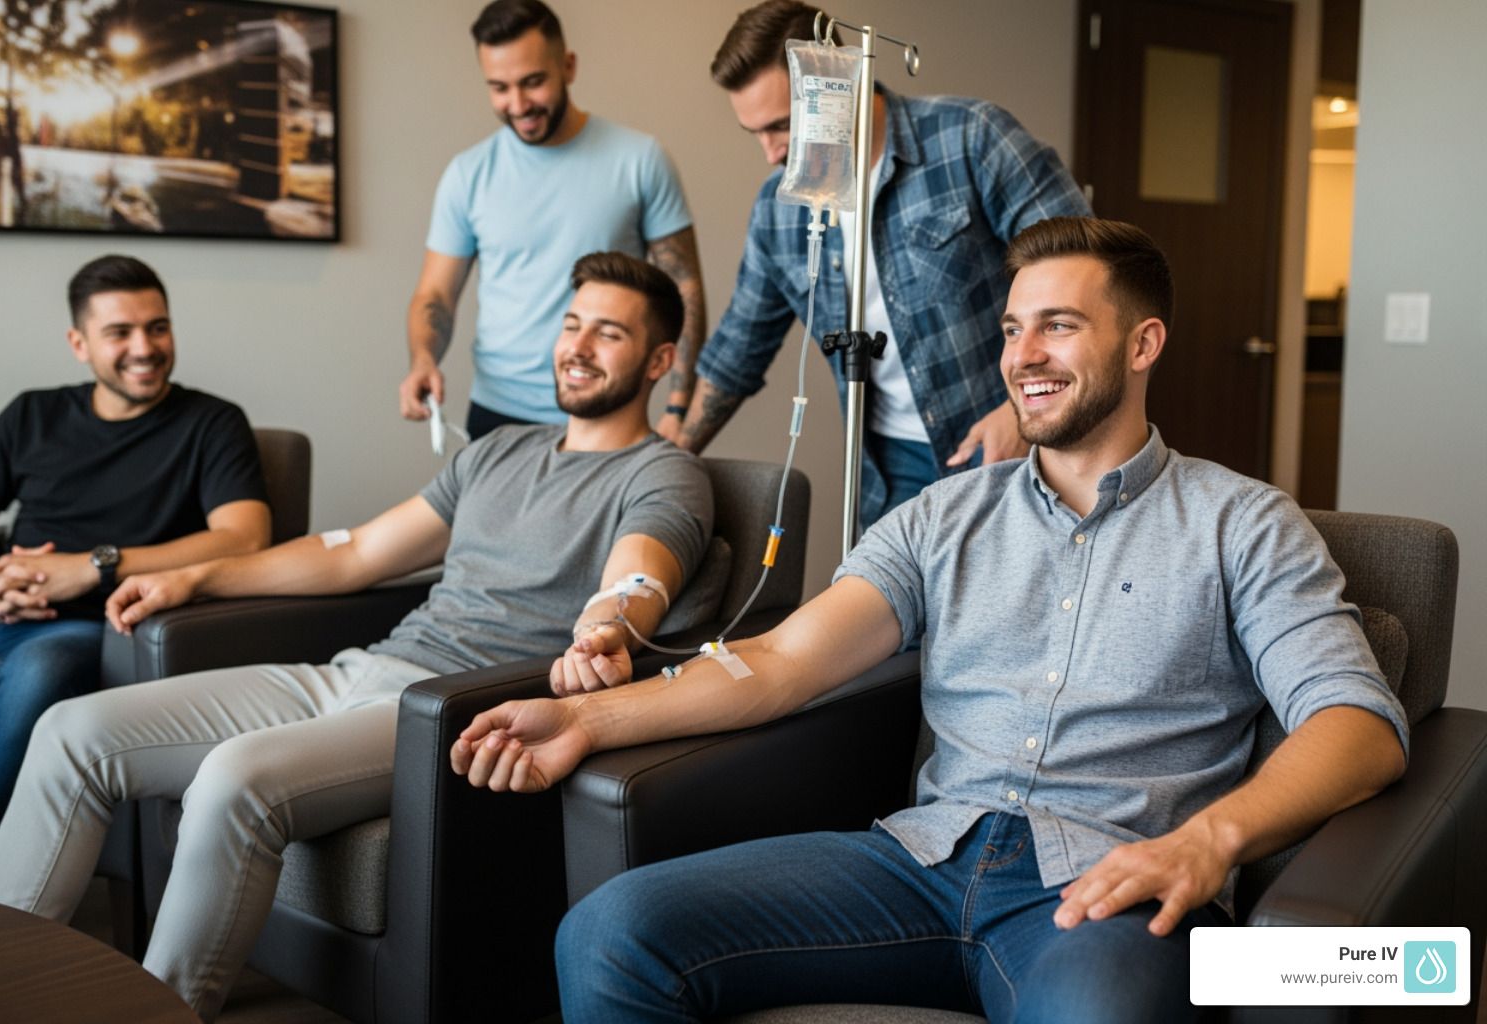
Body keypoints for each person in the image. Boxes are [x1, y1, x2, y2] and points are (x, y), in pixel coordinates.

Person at [453, 218, 1410, 1023]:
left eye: (1059, 327)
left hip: (1106, 891)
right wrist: (582, 719)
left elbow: (1357, 724)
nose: (1023, 357)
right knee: (613, 931)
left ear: (1142, 344)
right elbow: (781, 659)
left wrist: (1210, 841)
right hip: (919, 861)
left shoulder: (1242, 524)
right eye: (1012, 329)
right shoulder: (942, 517)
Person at [0, 252, 714, 1021]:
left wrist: (606, 629)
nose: (578, 348)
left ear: (659, 360)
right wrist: (194, 578)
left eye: (608, 334)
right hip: (358, 670)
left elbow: (638, 578)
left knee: (231, 779)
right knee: (71, 733)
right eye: (571, 325)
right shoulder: (499, 452)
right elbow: (355, 551)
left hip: (444, 711)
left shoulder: (663, 473)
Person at [672, 0, 1092, 526]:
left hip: (1008, 444)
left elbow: (1085, 270)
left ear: (839, 82)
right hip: (888, 470)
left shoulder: (971, 139)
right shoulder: (778, 210)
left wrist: (1020, 411)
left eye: (783, 125)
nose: (772, 153)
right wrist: (669, 452)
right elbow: (738, 349)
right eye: (755, 132)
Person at [0, 255, 271, 892]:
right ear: (79, 343)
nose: (144, 348)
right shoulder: (32, 414)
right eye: (120, 332)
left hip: (91, 630)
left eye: (158, 327)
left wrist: (91, 569)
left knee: (40, 674)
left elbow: (245, 537)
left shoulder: (211, 423)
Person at [401, 0, 705, 444]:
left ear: (568, 66)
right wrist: (423, 359)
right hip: (496, 415)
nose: (518, 104)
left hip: (604, 409)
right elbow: (435, 296)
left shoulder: (641, 160)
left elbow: (684, 288)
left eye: (533, 82)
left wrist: (679, 407)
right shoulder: (468, 174)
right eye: (499, 88)